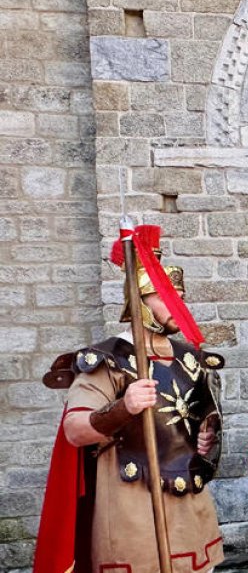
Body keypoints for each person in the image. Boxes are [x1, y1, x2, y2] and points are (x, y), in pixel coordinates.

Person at [34, 224, 225, 572]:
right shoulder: (109, 359)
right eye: (166, 296)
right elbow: (75, 430)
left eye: (178, 295)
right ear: (139, 300)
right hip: (132, 506)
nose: (176, 304)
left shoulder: (189, 357)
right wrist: (125, 407)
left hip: (191, 507)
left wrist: (205, 434)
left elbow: (202, 418)